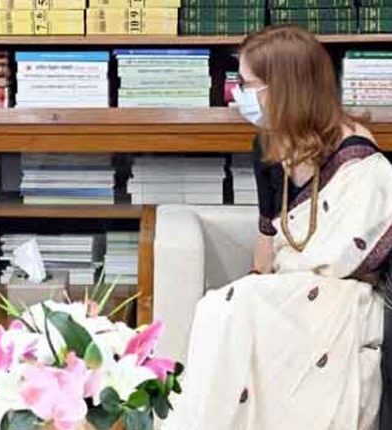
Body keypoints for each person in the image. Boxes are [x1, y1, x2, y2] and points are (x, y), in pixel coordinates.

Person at [164, 25, 390, 429]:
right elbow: (269, 232)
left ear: (284, 87)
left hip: (344, 293)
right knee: (221, 310)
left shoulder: (356, 154)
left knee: (232, 309)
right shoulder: (267, 145)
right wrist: (255, 284)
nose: (238, 95)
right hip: (289, 285)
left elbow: (362, 254)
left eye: (247, 85)